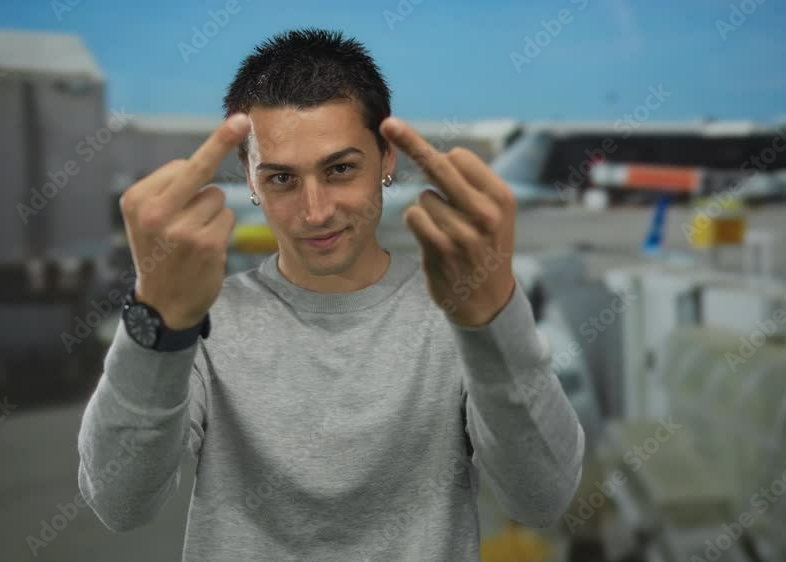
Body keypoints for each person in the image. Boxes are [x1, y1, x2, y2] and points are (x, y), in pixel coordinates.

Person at [77, 28, 583, 561]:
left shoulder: (457, 315)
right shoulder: (203, 320)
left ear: (387, 159)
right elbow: (119, 505)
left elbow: (542, 500)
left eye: (341, 169)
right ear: (249, 177)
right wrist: (158, 324)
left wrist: (495, 321)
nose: (316, 212)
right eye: (281, 179)